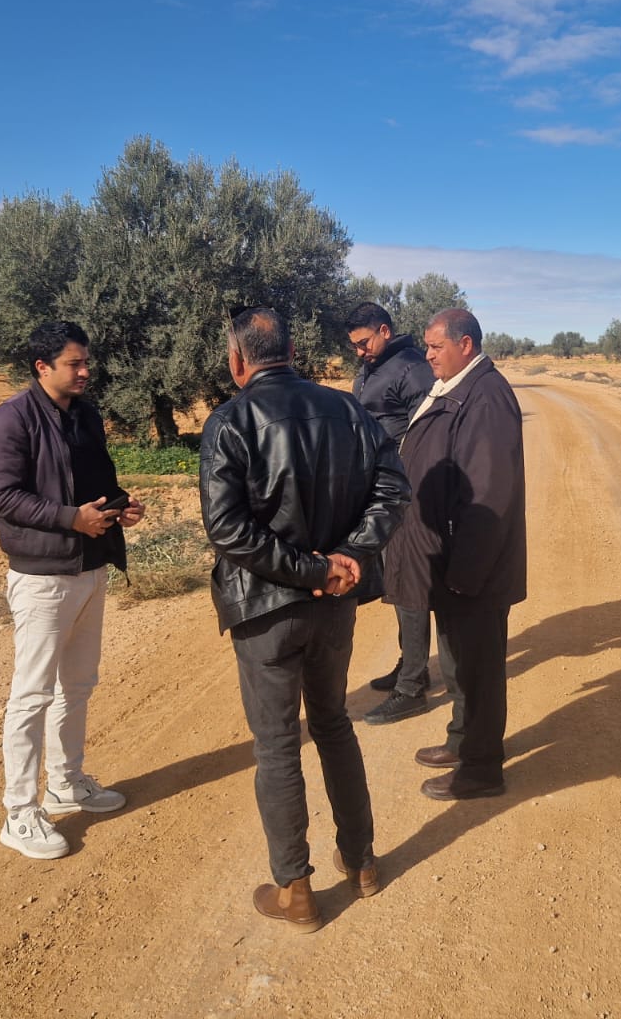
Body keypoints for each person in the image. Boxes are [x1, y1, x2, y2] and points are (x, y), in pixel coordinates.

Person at [200, 308, 410, 931]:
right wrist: (345, 559)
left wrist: (313, 568)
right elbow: (392, 492)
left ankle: (296, 890)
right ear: (291, 351)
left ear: (238, 360)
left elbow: (227, 529)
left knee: (277, 746)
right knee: (334, 725)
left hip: (267, 610)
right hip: (332, 605)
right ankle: (362, 863)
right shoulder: (347, 410)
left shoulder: (230, 421)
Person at [0, 320, 146, 860]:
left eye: (86, 362)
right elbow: (1, 497)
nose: (84, 371)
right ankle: (19, 812)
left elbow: (95, 482)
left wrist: (121, 505)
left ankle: (66, 782)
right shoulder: (12, 419)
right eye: (74, 363)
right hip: (42, 577)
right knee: (32, 695)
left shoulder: (85, 414)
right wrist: (69, 519)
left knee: (77, 685)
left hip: (90, 567)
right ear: (42, 366)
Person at [384, 308, 526, 800]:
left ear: (465, 345)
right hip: (450, 561)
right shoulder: (455, 387)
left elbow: (489, 495)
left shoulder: (485, 397)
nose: (426, 355)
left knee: (479, 670)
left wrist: (467, 573)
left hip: (473, 569)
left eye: (435, 346)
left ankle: (482, 770)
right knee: (458, 664)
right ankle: (462, 740)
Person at [344, 302, 437, 726]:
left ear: (384, 330)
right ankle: (409, 664)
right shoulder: (374, 366)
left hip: (405, 493)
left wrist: (402, 485)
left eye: (364, 342)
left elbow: (427, 434)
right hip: (382, 492)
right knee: (397, 584)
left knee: (409, 585)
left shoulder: (411, 368)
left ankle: (412, 688)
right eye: (355, 346)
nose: (359, 351)